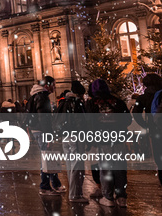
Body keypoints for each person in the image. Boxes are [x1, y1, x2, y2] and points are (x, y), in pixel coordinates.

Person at [86, 79, 129, 207]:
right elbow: (127, 119)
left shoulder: (91, 104)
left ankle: (108, 196)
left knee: (106, 168)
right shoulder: (117, 102)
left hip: (103, 139)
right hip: (118, 138)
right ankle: (121, 196)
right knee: (120, 168)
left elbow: (89, 122)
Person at [26, 75, 64, 195]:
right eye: (53, 84)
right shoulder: (42, 97)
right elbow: (44, 119)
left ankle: (56, 183)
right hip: (42, 130)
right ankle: (45, 186)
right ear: (47, 85)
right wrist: (48, 136)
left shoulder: (34, 95)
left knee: (48, 156)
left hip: (36, 130)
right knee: (47, 157)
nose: (55, 87)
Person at [55, 80, 88, 203]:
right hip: (76, 135)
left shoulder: (63, 102)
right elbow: (82, 121)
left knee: (70, 164)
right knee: (77, 164)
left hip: (65, 136)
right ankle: (75, 194)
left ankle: (73, 192)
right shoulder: (77, 103)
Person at [132, 73, 162, 186]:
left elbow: (136, 113)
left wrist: (145, 124)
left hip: (154, 130)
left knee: (159, 155)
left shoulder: (143, 97)